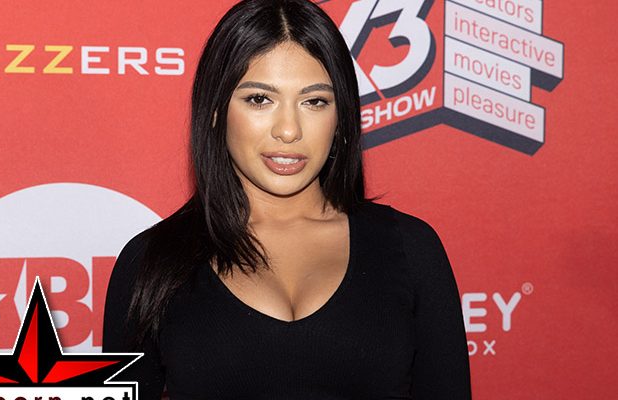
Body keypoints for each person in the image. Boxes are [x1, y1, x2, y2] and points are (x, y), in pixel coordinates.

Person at [103, 0, 471, 399]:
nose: (289, 130)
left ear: (341, 118)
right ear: (215, 110)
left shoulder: (411, 250)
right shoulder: (150, 263)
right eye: (260, 99)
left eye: (314, 101)